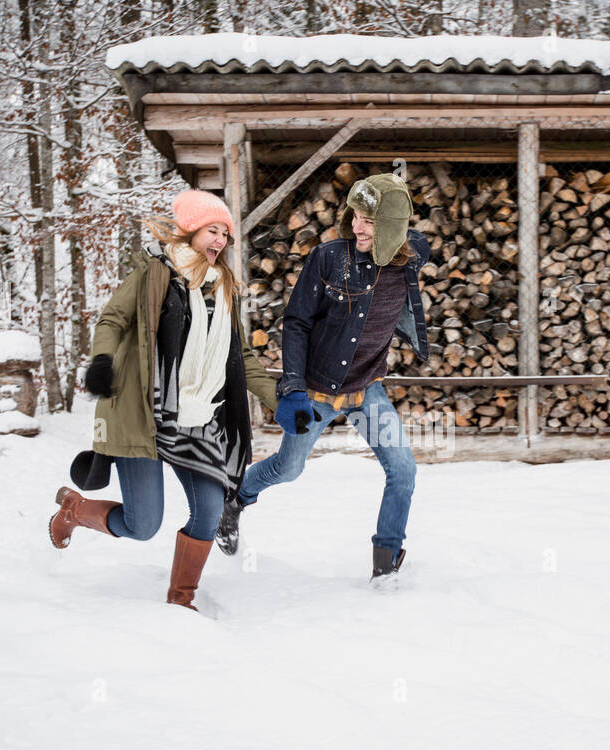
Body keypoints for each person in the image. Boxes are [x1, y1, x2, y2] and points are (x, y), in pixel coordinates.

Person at [48, 189, 277, 611]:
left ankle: (181, 600)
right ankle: (74, 510)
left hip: (197, 419)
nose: (220, 240)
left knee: (209, 509)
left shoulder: (223, 287)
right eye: (213, 230)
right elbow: (113, 319)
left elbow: (238, 354)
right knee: (142, 525)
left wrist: (277, 398)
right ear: (190, 230)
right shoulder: (154, 273)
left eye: (226, 234)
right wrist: (102, 359)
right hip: (146, 413)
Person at [215, 173, 431, 583]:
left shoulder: (412, 256)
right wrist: (293, 388)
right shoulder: (329, 258)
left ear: (390, 225)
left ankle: (385, 564)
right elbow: (295, 322)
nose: (356, 226)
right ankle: (237, 496)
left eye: (369, 220)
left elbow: (416, 237)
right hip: (315, 390)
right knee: (288, 468)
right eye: (354, 216)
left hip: (366, 390)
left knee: (403, 471)